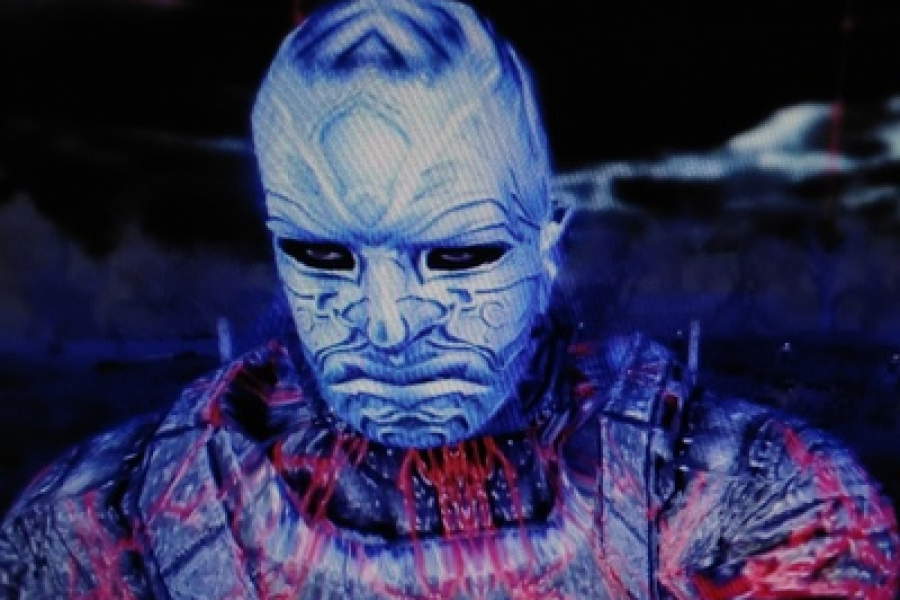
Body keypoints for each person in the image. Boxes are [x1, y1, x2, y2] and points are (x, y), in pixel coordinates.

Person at [1, 0, 898, 598]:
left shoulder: (759, 504)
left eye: (455, 257)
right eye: (322, 257)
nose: (389, 326)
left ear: (548, 242)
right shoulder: (94, 530)